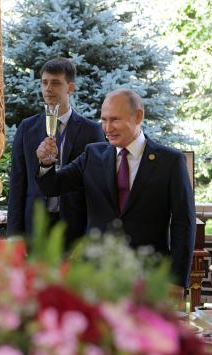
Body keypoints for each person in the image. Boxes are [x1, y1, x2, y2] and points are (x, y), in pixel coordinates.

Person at [36, 88, 196, 288]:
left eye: (115, 120)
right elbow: (52, 186)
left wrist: (177, 282)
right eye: (104, 120)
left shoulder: (170, 162)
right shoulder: (92, 155)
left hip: (149, 278)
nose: (107, 128)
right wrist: (46, 164)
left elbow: (184, 223)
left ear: (138, 116)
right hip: (98, 277)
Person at [7, 58, 104, 247]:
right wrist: (14, 238)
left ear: (70, 88)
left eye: (56, 83)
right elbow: (18, 184)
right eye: (44, 82)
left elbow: (96, 188)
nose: (48, 88)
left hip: (76, 228)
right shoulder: (27, 128)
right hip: (35, 227)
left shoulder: (92, 131)